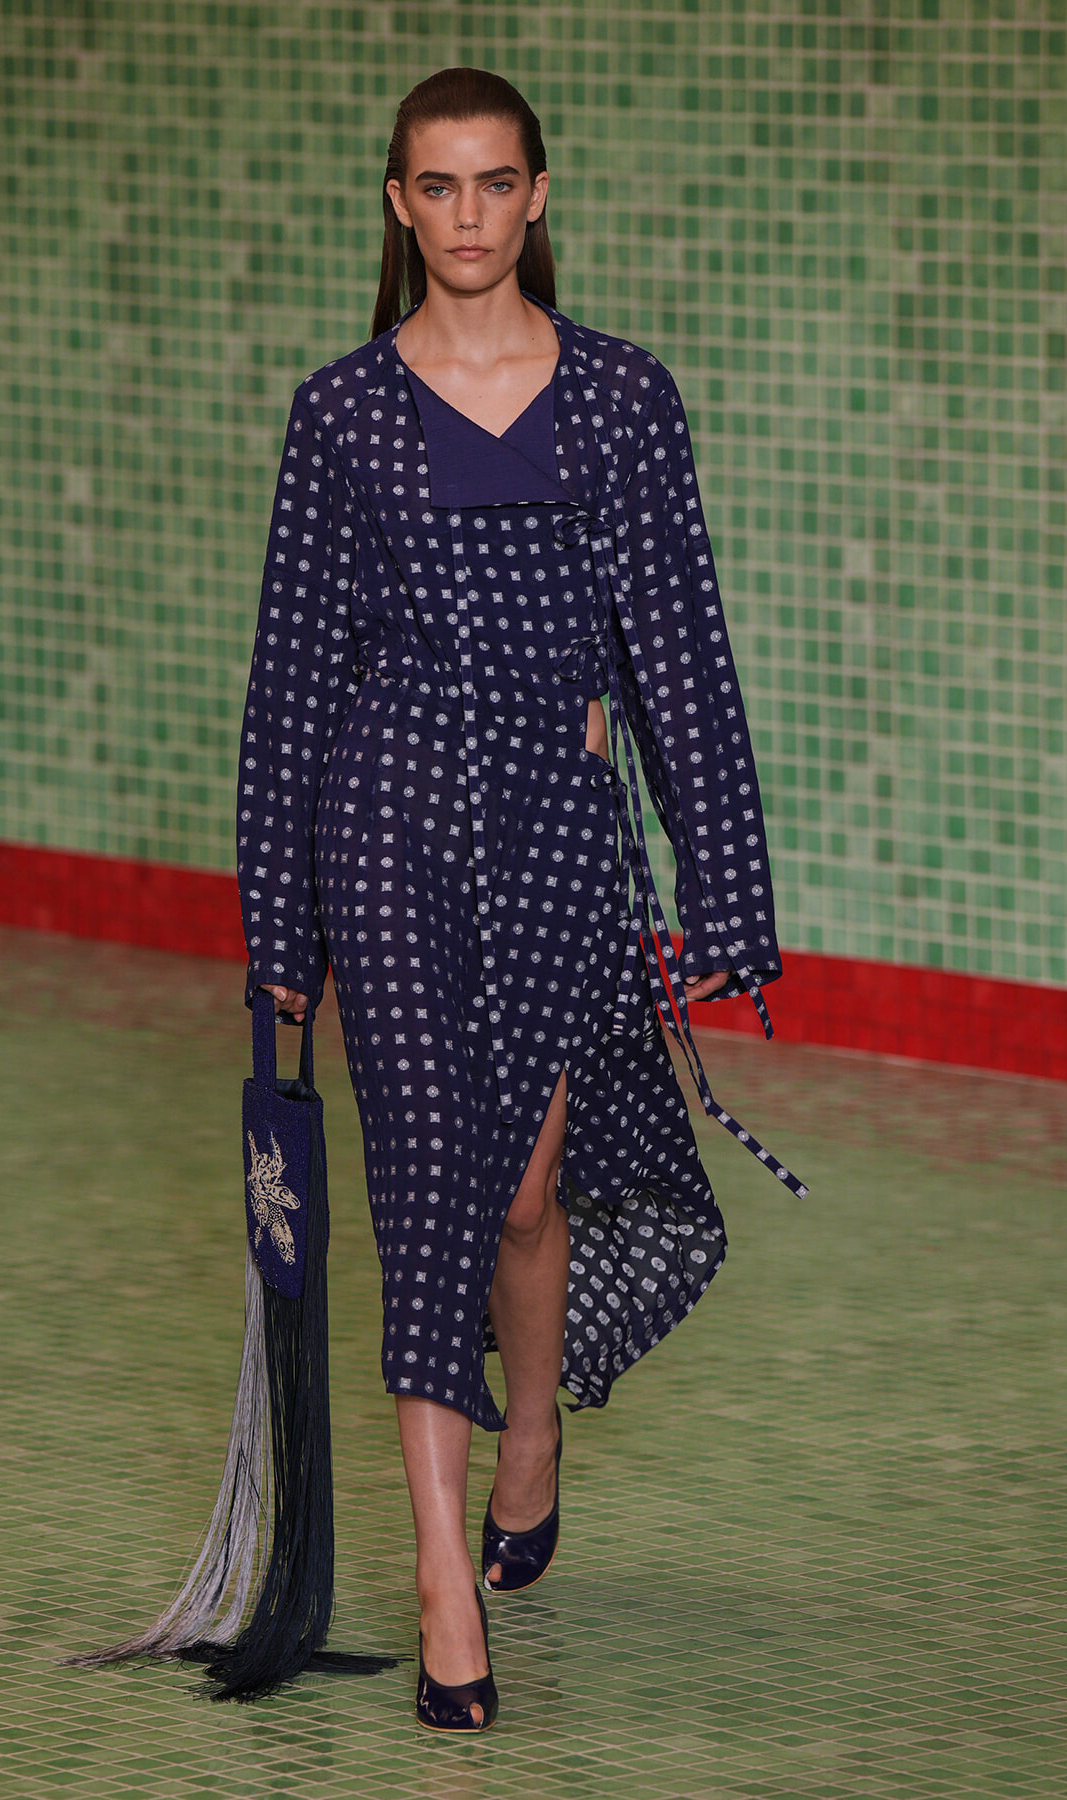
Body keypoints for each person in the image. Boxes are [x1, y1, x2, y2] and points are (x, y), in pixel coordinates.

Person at [238, 66, 800, 1732]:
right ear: (397, 204)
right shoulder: (341, 414)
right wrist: (282, 928)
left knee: (521, 1196)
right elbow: (291, 682)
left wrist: (730, 884)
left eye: (495, 184)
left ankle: (534, 1426)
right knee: (427, 1197)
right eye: (437, 186)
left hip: (558, 827)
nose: (467, 214)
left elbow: (680, 654)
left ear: (537, 197)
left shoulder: (626, 399)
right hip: (388, 819)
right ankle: (438, 1595)